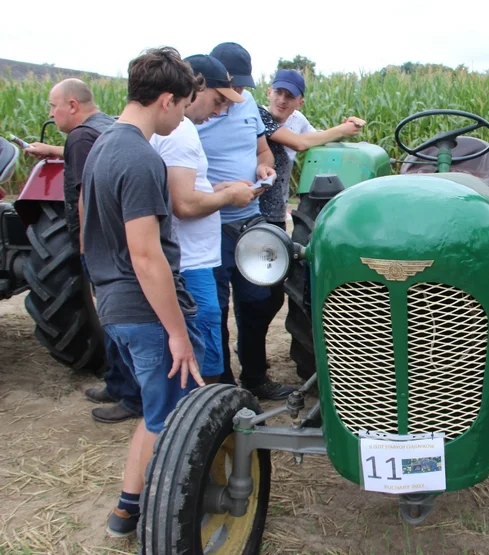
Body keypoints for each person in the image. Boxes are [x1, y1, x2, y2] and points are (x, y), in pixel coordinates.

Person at [80, 46, 205, 537]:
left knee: (155, 413)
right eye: (186, 106)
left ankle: (125, 513)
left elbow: (86, 229)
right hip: (146, 310)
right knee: (169, 419)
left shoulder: (101, 146)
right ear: (167, 100)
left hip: (116, 305)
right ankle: (156, 515)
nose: (184, 117)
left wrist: (100, 295)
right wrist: (177, 332)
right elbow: (146, 255)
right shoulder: (139, 157)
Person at [24, 79, 143, 425]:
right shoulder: (106, 126)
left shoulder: (79, 137)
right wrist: (52, 150)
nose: (50, 112)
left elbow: (82, 197)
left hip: (99, 245)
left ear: (72, 105)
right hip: (118, 241)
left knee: (114, 318)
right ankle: (117, 383)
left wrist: (83, 246)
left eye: (52, 106)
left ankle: (131, 395)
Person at [149, 54, 259, 385]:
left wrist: (215, 187)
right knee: (204, 342)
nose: (220, 110)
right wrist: (229, 196)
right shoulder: (180, 132)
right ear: (196, 87)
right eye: (217, 100)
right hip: (192, 261)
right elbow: (183, 204)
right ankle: (208, 424)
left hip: (194, 256)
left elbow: (176, 189)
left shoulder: (181, 130)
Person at [196, 42, 293, 399]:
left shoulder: (247, 104)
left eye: (242, 87)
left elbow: (262, 150)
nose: (237, 94)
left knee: (259, 300)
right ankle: (222, 386)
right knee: (214, 307)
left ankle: (254, 376)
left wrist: (263, 167)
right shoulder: (193, 115)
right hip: (211, 225)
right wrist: (219, 191)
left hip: (249, 220)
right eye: (231, 87)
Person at [257, 69, 366, 227]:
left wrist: (347, 129)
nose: (282, 100)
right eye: (278, 92)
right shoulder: (259, 116)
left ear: (300, 103)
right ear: (269, 93)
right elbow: (298, 143)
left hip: (277, 209)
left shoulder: (298, 120)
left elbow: (317, 138)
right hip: (254, 209)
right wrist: (340, 130)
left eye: (289, 96)